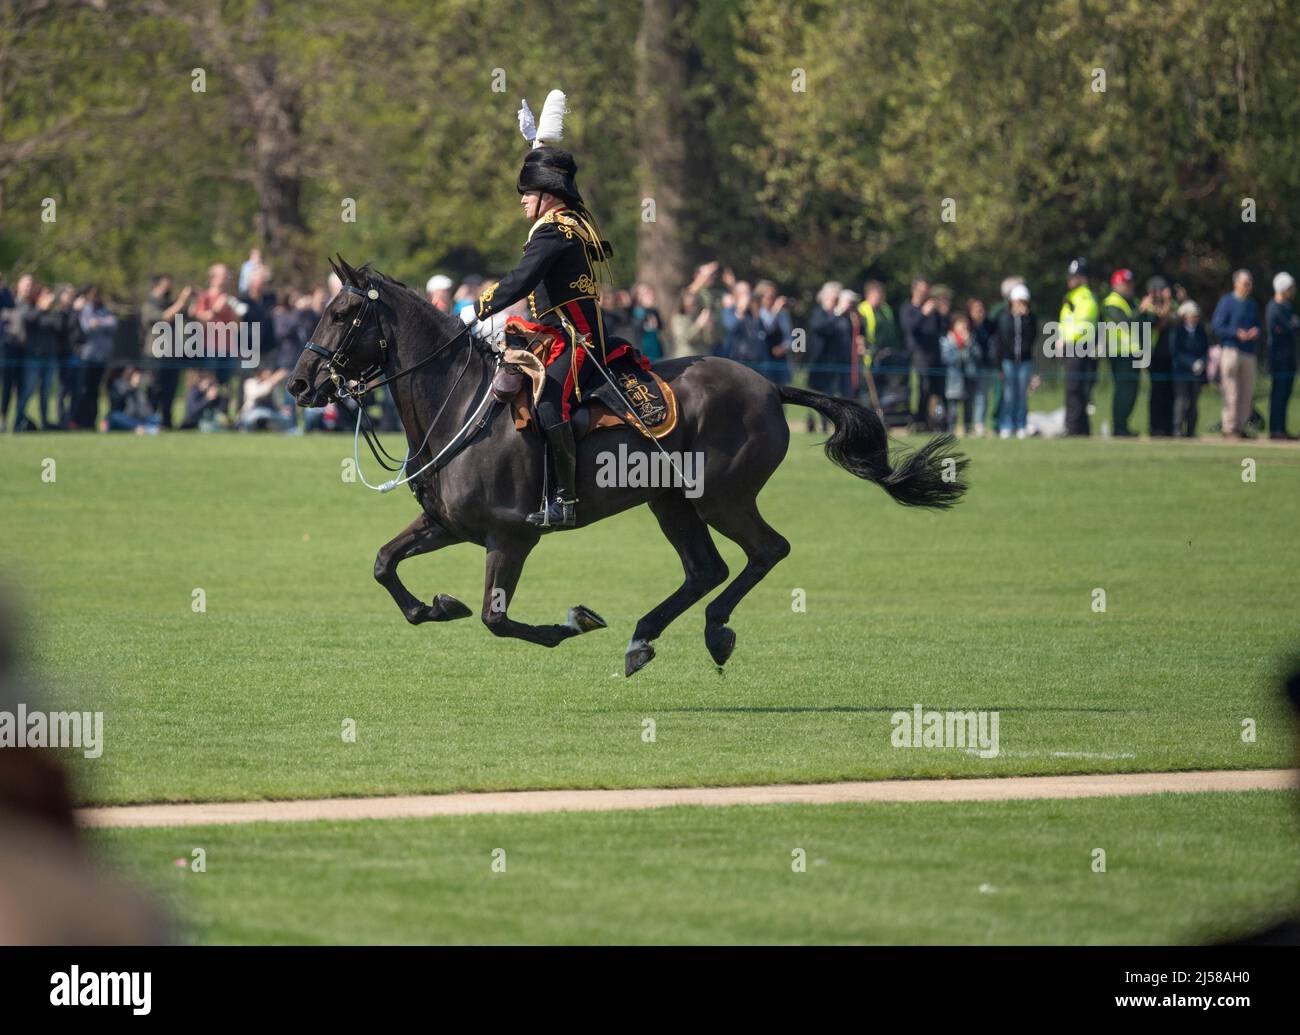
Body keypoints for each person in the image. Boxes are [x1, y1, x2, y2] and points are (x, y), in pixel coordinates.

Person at [463, 96, 617, 529]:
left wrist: (475, 308)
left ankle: (565, 499)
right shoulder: (566, 223)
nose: (523, 200)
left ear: (548, 196)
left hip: (577, 338)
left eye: (528, 192)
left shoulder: (554, 230)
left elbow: (520, 280)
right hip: (552, 331)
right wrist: (536, 146)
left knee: (550, 398)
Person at [1211, 269, 1262, 439]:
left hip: (1248, 352)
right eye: (1245, 283)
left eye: (1250, 284)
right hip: (1231, 350)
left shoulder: (1251, 304)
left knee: (1247, 392)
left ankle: (1241, 426)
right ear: (1236, 284)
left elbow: (1257, 325)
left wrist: (1255, 331)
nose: (1248, 287)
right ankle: (1229, 427)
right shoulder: (1227, 302)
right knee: (1231, 391)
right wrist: (1235, 333)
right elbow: (1217, 326)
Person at [140, 274, 193, 430]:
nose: (169, 288)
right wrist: (182, 300)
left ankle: (167, 422)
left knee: (170, 390)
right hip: (155, 355)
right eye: (166, 285)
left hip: (173, 353)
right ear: (156, 286)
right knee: (155, 389)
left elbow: (188, 316)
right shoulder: (149, 304)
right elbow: (165, 317)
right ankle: (150, 420)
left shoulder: (170, 302)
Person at [1059, 258, 1100, 435]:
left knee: (1075, 390)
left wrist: (1066, 340)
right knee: (1075, 390)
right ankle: (1080, 429)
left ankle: (1074, 428)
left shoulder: (1084, 297)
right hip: (1071, 347)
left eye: (1074, 277)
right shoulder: (1072, 297)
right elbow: (1065, 322)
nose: (1070, 280)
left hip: (1078, 347)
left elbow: (1084, 325)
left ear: (1083, 279)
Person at [807, 281, 853, 431]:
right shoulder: (818, 313)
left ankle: (837, 423)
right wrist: (837, 314)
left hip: (838, 361)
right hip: (821, 360)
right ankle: (820, 424)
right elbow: (821, 328)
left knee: (837, 395)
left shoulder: (843, 316)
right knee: (820, 394)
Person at [900, 277, 943, 429]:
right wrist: (923, 313)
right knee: (921, 388)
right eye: (922, 291)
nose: (924, 294)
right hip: (918, 355)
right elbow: (909, 328)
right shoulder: (908, 309)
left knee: (934, 390)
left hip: (934, 355)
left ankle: (931, 421)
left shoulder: (932, 310)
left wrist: (938, 312)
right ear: (914, 290)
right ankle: (918, 419)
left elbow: (939, 329)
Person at [1102, 268, 1140, 436]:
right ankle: (1119, 428)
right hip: (1119, 353)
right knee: (1123, 391)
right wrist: (1143, 309)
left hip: (1133, 353)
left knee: (1132, 391)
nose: (1130, 287)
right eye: (1126, 284)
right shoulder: (1111, 302)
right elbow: (1126, 323)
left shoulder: (1131, 301)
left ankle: (1124, 427)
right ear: (1116, 284)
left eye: (1130, 283)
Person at [995, 283, 1037, 439]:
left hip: (1024, 361)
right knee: (1009, 395)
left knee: (1022, 394)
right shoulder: (1004, 317)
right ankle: (1006, 424)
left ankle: (1021, 424)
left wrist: (1025, 318)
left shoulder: (1030, 318)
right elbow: (1000, 341)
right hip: (1008, 361)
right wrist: (998, 365)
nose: (1020, 305)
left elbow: (1032, 337)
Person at [75, 285, 117, 429]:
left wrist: (98, 322)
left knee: (95, 391)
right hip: (88, 357)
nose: (95, 297)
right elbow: (86, 326)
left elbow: (113, 323)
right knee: (84, 390)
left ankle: (92, 421)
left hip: (101, 357)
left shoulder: (103, 310)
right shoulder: (84, 310)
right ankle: (81, 421)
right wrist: (101, 322)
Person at [1265, 272, 1297, 440]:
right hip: (1278, 359)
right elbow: (1282, 330)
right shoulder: (1274, 307)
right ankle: (1275, 429)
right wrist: (1291, 326)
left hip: (1289, 358)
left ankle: (1282, 429)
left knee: (1285, 394)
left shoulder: (1286, 307)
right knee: (1278, 394)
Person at [1142, 276, 1175, 436]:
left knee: (1169, 392)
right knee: (1157, 392)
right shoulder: (1149, 307)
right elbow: (1160, 324)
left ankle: (1168, 426)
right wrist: (1167, 302)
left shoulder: (1169, 306)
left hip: (1169, 355)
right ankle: (1156, 427)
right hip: (1155, 355)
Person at [1169, 300, 1207, 438]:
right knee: (1181, 401)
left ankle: (1191, 430)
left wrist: (1202, 362)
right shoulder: (1178, 331)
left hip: (1196, 373)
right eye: (1191, 315)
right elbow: (1176, 352)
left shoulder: (1200, 331)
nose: (1194, 318)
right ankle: (1177, 429)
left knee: (1194, 403)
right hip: (1181, 372)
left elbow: (1205, 350)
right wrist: (1191, 363)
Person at [965, 297, 996, 436]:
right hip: (970, 367)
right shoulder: (968, 327)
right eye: (977, 310)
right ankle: (968, 424)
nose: (980, 312)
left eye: (981, 310)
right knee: (970, 397)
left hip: (986, 366)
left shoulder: (989, 326)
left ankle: (979, 424)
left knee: (982, 397)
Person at [940, 311, 974, 434]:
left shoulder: (970, 341)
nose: (964, 328)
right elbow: (948, 359)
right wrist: (962, 348)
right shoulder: (947, 341)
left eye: (965, 325)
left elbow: (973, 358)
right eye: (961, 324)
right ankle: (951, 429)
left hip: (967, 380)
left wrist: (968, 345)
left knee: (968, 407)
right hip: (952, 380)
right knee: (952, 408)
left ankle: (967, 429)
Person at [754, 280, 792, 385]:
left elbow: (788, 336)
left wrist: (784, 347)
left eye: (773, 297)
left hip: (780, 359)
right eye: (768, 297)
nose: (771, 300)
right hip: (763, 357)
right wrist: (775, 311)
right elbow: (766, 329)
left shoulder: (783, 314)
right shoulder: (757, 313)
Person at [669, 287, 713, 358]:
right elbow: (685, 339)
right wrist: (698, 324)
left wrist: (708, 326)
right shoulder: (678, 318)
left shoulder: (698, 316)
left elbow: (709, 340)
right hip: (686, 359)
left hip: (703, 358)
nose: (693, 306)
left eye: (695, 303)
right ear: (683, 303)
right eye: (690, 304)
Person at [630, 283, 664, 362]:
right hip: (644, 359)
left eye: (651, 292)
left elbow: (660, 329)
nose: (651, 295)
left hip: (659, 356)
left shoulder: (653, 312)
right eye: (647, 293)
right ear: (638, 297)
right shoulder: (634, 313)